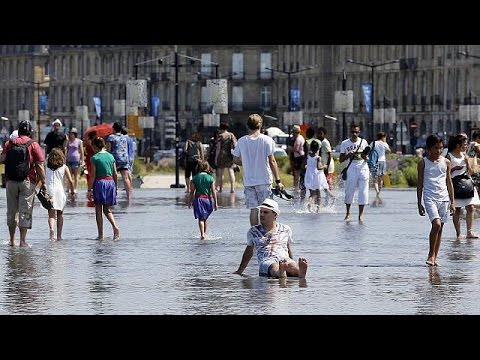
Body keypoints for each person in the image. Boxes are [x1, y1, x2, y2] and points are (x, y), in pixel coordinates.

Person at [233, 198, 308, 279]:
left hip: (284, 258)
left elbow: (288, 247)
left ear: (275, 214)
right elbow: (248, 252)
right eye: (260, 212)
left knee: (292, 266)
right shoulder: (253, 231)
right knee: (273, 267)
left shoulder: (285, 229)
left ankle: (300, 273)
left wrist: (291, 261)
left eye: (265, 212)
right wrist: (239, 271)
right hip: (267, 260)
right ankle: (281, 272)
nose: (261, 215)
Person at [232, 113, 285, 226]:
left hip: (249, 182)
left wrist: (246, 162)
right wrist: (278, 181)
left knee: (254, 210)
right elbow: (272, 161)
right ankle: (267, 234)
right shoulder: (267, 140)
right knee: (267, 209)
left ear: (248, 126)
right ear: (260, 125)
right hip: (264, 180)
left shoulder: (241, 141)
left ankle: (254, 234)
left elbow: (235, 160)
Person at [0, 120, 46, 247]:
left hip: (10, 182)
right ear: (30, 132)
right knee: (25, 210)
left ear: (19, 131)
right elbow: (39, 166)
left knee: (12, 210)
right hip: (27, 181)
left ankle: (11, 240)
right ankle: (23, 241)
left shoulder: (9, 143)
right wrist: (44, 182)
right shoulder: (34, 145)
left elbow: (2, 159)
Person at [417, 134, 456, 266]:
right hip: (429, 198)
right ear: (428, 149)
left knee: (440, 229)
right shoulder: (423, 163)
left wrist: (452, 202)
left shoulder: (446, 162)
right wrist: (419, 203)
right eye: (435, 148)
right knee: (436, 224)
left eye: (440, 148)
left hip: (444, 198)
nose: (438, 151)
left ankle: (435, 257)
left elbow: (449, 182)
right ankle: (430, 254)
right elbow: (420, 183)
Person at [446, 133, 480, 240]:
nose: (466, 146)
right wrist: (454, 169)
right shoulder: (449, 156)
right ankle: (458, 233)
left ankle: (469, 231)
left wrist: (467, 163)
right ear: (458, 145)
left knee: (471, 207)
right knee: (457, 209)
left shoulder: (465, 155)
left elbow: (470, 172)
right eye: (464, 144)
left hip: (467, 183)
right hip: (455, 185)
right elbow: (445, 173)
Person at [87, 137, 120, 240]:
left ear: (95, 146)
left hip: (100, 183)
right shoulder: (111, 156)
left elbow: (93, 175)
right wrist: (116, 187)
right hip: (110, 182)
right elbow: (115, 173)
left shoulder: (95, 158)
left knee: (98, 210)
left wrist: (89, 189)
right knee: (107, 209)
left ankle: (101, 235)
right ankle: (115, 227)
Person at [339, 123, 370, 222]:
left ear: (359, 132)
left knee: (363, 192)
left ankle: (360, 215)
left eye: (356, 132)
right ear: (350, 132)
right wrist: (348, 155)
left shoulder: (364, 142)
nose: (354, 134)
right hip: (351, 168)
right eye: (353, 132)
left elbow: (367, 157)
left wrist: (365, 157)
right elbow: (340, 159)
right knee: (349, 191)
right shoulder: (345, 143)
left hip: (362, 168)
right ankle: (348, 213)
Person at [45, 147, 75, 241]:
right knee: (60, 214)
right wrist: (72, 191)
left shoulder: (46, 167)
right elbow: (70, 181)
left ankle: (51, 230)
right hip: (59, 192)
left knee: (51, 214)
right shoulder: (64, 167)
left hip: (49, 191)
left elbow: (41, 179)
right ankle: (59, 236)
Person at [187, 160, 218, 240]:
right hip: (207, 200)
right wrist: (216, 203)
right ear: (207, 167)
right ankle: (204, 234)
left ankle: (202, 234)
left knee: (201, 218)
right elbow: (213, 191)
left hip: (198, 199)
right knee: (205, 218)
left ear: (198, 167)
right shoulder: (210, 178)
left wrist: (189, 202)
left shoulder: (195, 178)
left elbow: (192, 192)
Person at [304, 139, 332, 212]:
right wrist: (325, 166)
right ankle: (318, 209)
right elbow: (318, 167)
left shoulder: (308, 155)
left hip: (309, 175)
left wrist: (307, 166)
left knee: (311, 193)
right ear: (318, 149)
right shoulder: (318, 158)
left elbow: (306, 164)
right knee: (318, 193)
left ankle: (309, 204)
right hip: (316, 176)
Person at [106, 122, 132, 201]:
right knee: (125, 177)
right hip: (124, 158)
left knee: (112, 177)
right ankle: (129, 196)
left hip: (115, 159)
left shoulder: (111, 137)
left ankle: (113, 194)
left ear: (113, 129)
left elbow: (109, 150)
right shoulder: (124, 137)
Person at [215, 123, 237, 193]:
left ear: (221, 129)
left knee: (221, 172)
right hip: (230, 155)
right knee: (231, 171)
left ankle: (221, 188)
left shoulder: (220, 136)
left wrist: (216, 158)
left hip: (222, 155)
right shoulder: (231, 135)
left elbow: (218, 148)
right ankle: (232, 188)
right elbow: (235, 145)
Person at [369, 131, 391, 197]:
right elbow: (389, 151)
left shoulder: (373, 143)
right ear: (383, 137)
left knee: (375, 179)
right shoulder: (384, 144)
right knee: (380, 178)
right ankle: (379, 192)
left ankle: (377, 191)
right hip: (382, 161)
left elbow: (368, 149)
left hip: (375, 162)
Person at [65, 127, 84, 199]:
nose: (71, 135)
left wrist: (82, 159)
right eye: (70, 134)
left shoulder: (79, 141)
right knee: (69, 175)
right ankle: (68, 188)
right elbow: (65, 149)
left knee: (76, 175)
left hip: (76, 159)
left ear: (75, 134)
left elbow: (81, 151)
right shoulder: (68, 141)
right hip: (69, 159)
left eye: (72, 134)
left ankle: (75, 188)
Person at [317, 127, 335, 193]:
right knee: (324, 181)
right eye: (318, 133)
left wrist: (327, 165)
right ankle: (328, 197)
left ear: (324, 134)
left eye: (321, 134)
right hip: (323, 165)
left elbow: (330, 155)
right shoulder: (320, 142)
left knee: (328, 181)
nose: (319, 135)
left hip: (328, 165)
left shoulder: (325, 142)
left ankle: (331, 197)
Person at [291, 125, 305, 192]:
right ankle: (298, 187)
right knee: (299, 173)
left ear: (296, 132)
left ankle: (296, 188)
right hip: (301, 157)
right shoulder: (301, 137)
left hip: (298, 158)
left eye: (293, 132)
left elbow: (296, 149)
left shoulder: (298, 139)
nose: (292, 133)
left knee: (297, 173)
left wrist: (289, 149)